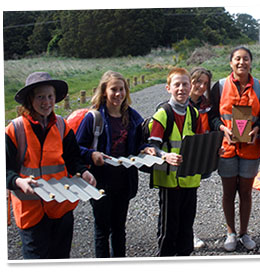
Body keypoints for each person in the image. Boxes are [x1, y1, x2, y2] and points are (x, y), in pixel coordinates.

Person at [5, 72, 96, 259]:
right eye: (40, 97)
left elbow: (73, 159)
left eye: (50, 96)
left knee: (60, 259)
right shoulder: (15, 130)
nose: (46, 102)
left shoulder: (62, 126)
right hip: (31, 213)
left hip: (60, 208)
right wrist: (17, 182)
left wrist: (83, 171)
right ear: (30, 100)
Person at [76, 70, 156, 258]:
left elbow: (139, 143)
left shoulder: (132, 117)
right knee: (102, 229)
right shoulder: (93, 118)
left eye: (122, 89)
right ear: (104, 91)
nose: (118, 94)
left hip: (124, 180)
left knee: (119, 228)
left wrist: (145, 148)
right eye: (114, 89)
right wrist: (92, 154)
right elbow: (76, 148)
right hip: (100, 180)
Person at [208, 46, 260, 251]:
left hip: (251, 149)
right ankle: (230, 232)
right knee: (228, 192)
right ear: (230, 62)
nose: (241, 62)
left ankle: (244, 232)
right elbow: (212, 117)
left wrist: (258, 128)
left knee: (245, 192)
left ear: (251, 62)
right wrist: (223, 128)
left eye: (245, 59)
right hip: (227, 148)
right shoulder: (220, 86)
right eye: (237, 59)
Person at [148, 67, 204, 256]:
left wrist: (213, 151)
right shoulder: (163, 114)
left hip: (190, 181)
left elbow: (200, 142)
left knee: (186, 229)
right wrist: (166, 156)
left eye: (185, 84)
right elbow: (151, 147)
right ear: (168, 88)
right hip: (169, 183)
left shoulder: (194, 113)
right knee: (168, 230)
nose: (181, 88)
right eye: (177, 85)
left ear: (191, 87)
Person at [189, 67, 212, 249]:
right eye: (198, 82)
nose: (201, 86)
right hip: (180, 157)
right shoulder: (179, 102)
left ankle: (190, 232)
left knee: (191, 196)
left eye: (205, 83)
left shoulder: (206, 105)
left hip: (197, 157)